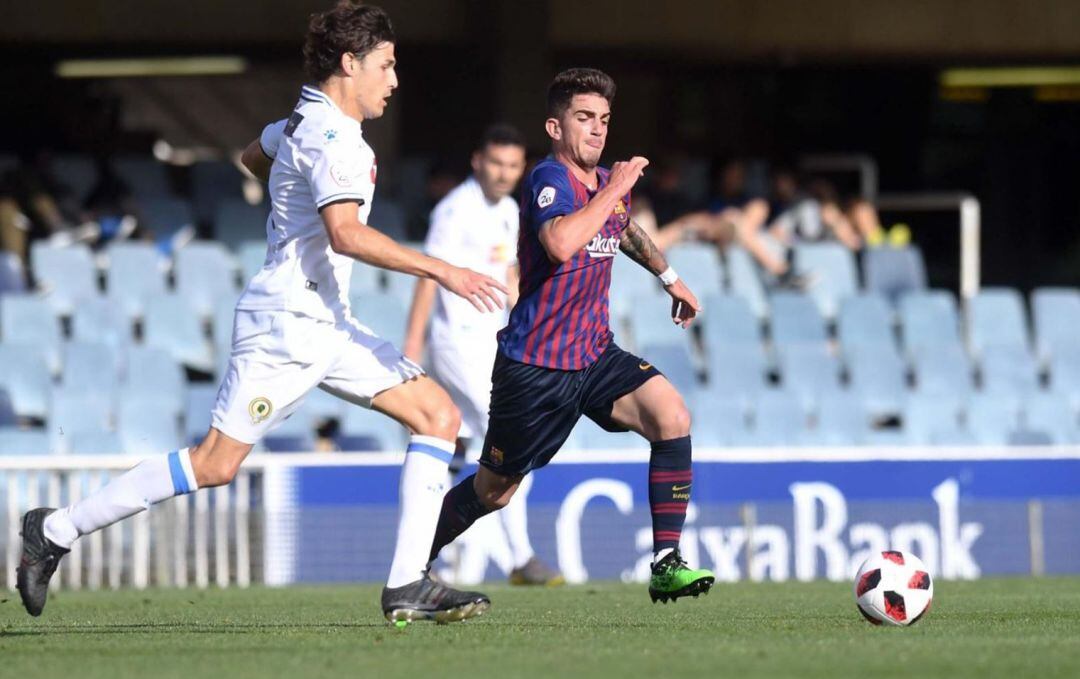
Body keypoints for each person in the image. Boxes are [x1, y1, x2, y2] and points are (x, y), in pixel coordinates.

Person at [17, 1, 505, 625]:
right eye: (386, 65)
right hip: (287, 328)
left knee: (437, 416)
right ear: (350, 63)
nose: (395, 80)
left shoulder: (302, 120)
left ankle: (407, 584)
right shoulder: (336, 141)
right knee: (215, 464)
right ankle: (53, 531)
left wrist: (287, 212)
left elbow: (254, 156)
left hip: (327, 322)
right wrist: (444, 269)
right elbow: (348, 235)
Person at [424, 68, 715, 604]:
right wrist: (619, 188)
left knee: (671, 415)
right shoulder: (546, 180)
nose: (598, 130)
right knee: (495, 490)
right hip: (536, 366)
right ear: (555, 127)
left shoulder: (605, 183)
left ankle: (666, 562)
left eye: (604, 120)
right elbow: (560, 242)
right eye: (585, 118)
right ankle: (412, 561)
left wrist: (670, 278)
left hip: (593, 353)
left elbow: (622, 227)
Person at [402, 123, 563, 587]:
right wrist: (414, 347)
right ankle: (521, 559)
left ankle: (428, 547)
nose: (504, 173)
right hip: (455, 342)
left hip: (494, 344)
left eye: (513, 166)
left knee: (474, 447)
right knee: (511, 439)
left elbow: (509, 275)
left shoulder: (512, 210)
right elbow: (429, 275)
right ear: (478, 161)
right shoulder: (455, 211)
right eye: (496, 163)